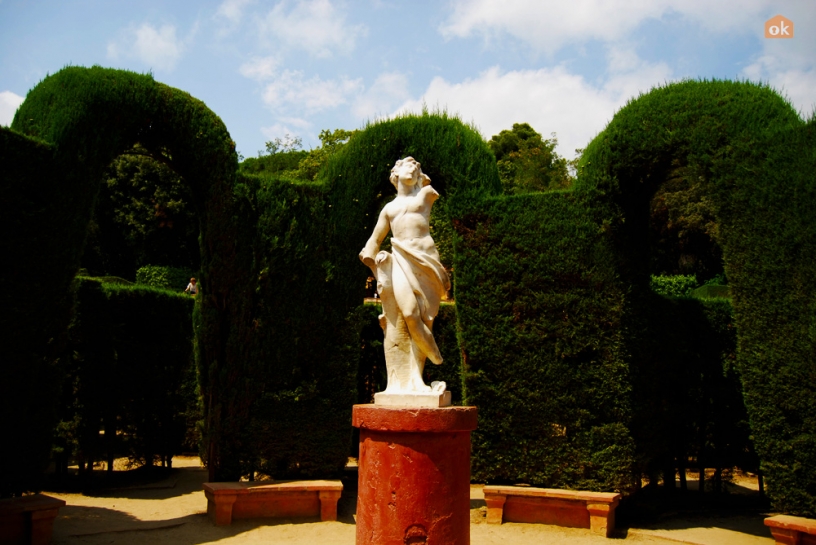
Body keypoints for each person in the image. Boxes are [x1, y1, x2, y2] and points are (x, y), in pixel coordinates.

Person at [359, 157, 450, 393]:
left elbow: (428, 185)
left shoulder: (426, 193)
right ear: (395, 172)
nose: (415, 169)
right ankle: (435, 355)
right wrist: (373, 259)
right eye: (409, 165)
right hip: (400, 259)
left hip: (426, 261)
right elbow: (374, 240)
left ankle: (416, 379)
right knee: (409, 312)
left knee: (425, 318)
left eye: (418, 167)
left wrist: (421, 178)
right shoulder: (389, 209)